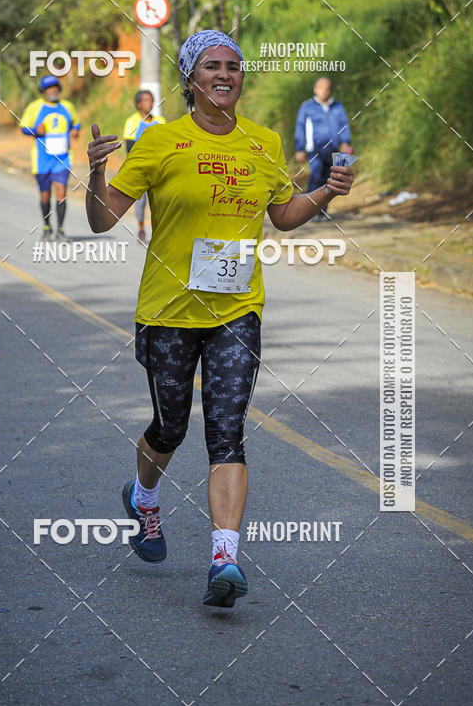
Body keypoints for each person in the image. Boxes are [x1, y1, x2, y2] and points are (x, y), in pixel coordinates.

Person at [86, 30, 354, 609]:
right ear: (190, 79)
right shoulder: (160, 142)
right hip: (167, 312)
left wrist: (325, 193)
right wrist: (95, 174)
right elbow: (103, 220)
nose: (226, 74)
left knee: (227, 433)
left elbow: (283, 216)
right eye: (212, 66)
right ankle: (143, 498)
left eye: (234, 66)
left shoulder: (262, 142)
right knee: (171, 427)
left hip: (238, 311)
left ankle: (224, 560)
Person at [19, 75, 80, 242]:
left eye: (55, 87)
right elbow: (22, 128)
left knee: (61, 192)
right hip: (42, 160)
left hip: (63, 158)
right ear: (43, 91)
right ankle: (47, 227)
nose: (53, 90)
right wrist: (34, 131)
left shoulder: (67, 106)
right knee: (45, 195)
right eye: (49, 88)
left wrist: (75, 130)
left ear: (59, 89)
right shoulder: (35, 108)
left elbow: (76, 122)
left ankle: (60, 230)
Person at [295, 77, 352, 220]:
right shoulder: (307, 107)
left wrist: (345, 142)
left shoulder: (337, 107)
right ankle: (310, 211)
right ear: (315, 89)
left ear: (330, 90)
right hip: (315, 149)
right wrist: (299, 148)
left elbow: (343, 125)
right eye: (321, 88)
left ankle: (323, 211)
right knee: (316, 176)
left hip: (332, 149)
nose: (324, 91)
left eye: (327, 88)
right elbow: (300, 127)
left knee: (329, 179)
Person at [122, 90, 166, 242]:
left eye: (151, 100)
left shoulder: (161, 121)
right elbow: (129, 148)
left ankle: (159, 231)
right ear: (138, 104)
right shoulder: (132, 122)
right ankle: (141, 228)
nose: (149, 103)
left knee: (160, 202)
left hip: (159, 168)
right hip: (140, 169)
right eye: (146, 100)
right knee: (140, 203)